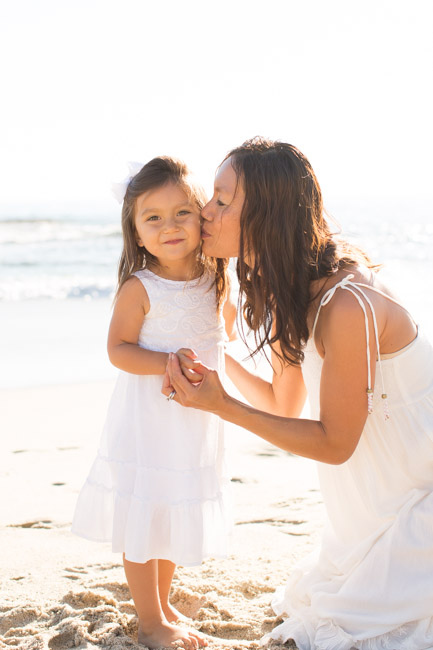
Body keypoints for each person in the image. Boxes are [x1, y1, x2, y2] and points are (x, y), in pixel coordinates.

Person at [163, 138, 433, 650]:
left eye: (222, 201)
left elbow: (335, 443)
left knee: (350, 628)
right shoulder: (290, 287)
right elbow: (282, 404)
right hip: (376, 508)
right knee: (324, 603)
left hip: (421, 500)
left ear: (267, 216)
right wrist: (218, 355)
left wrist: (221, 405)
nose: (205, 212)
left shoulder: (349, 306)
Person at [72, 156, 236, 650]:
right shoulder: (140, 287)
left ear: (201, 215)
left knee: (168, 511)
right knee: (146, 510)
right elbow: (118, 350)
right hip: (150, 419)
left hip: (194, 421)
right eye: (153, 218)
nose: (170, 226)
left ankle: (162, 609)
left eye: (182, 213)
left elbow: (223, 338)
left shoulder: (216, 277)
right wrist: (165, 361)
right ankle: (149, 623)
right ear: (136, 232)